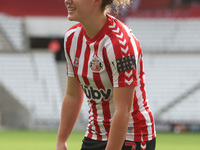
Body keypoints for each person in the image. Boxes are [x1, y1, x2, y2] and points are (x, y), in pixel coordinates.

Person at [56, 0, 156, 150]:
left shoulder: (121, 44)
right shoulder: (72, 38)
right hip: (95, 134)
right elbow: (73, 95)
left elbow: (123, 111)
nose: (67, 1)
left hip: (132, 135)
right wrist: (61, 141)